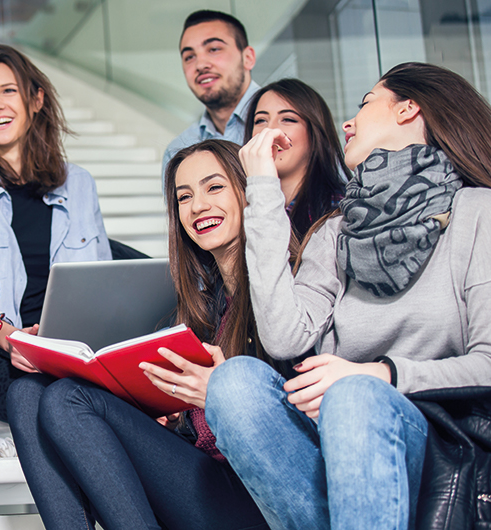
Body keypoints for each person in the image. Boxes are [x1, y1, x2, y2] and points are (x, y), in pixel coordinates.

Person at [206, 62, 491, 530]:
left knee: (356, 395)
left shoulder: (478, 212)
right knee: (234, 382)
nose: (348, 122)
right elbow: (282, 336)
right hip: (335, 440)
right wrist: (261, 187)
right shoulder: (337, 231)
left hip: (442, 442)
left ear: (408, 109)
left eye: (365, 103)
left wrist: (377, 375)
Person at [6, 140, 270, 530]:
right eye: (184, 197)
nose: (198, 206)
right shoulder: (204, 301)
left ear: (250, 192)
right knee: (25, 393)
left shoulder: (279, 290)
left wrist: (221, 392)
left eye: (214, 187)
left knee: (68, 398)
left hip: (251, 491)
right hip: (197, 468)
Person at [0, 43, 112, 423]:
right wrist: (14, 339)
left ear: (36, 99)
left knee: (73, 393)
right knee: (41, 395)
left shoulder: (79, 183)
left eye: (8, 91)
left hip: (73, 351)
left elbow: (103, 283)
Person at [161, 10, 259, 185]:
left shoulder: (290, 123)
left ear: (248, 58)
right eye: (189, 57)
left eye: (213, 49)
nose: (200, 65)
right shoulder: (179, 150)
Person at [243, 78, 346, 241]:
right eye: (260, 121)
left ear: (315, 133)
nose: (270, 130)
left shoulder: (339, 211)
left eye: (288, 119)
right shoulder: (239, 209)